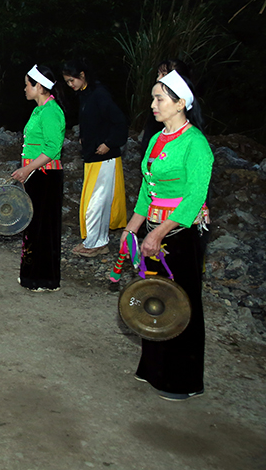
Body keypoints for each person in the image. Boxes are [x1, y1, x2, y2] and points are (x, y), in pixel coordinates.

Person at [121, 70, 212, 401]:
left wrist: (158, 232)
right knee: (153, 298)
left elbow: (193, 196)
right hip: (153, 230)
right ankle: (154, 367)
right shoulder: (159, 139)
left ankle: (182, 379)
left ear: (180, 103)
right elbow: (148, 189)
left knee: (181, 303)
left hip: (180, 233)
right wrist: (132, 228)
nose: (153, 104)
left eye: (159, 98)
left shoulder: (196, 144)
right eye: (154, 97)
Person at [61, 60, 128, 257]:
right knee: (93, 200)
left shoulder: (100, 94)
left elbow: (120, 122)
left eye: (72, 80)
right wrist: (84, 137)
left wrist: (109, 142)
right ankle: (94, 240)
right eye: (67, 82)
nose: (70, 85)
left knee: (96, 202)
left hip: (104, 158)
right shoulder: (85, 94)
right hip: (92, 156)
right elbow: (91, 120)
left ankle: (97, 243)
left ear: (82, 74)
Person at [11, 66, 66, 292]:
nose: (24, 88)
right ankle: (32, 274)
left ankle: (44, 278)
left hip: (46, 175)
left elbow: (52, 148)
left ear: (39, 86)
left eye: (27, 84)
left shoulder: (52, 111)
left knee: (43, 226)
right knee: (33, 224)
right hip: (36, 174)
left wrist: (28, 169)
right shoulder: (39, 110)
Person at [139, 59, 193, 157]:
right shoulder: (157, 110)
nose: (158, 79)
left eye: (164, 75)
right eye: (158, 74)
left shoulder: (193, 138)